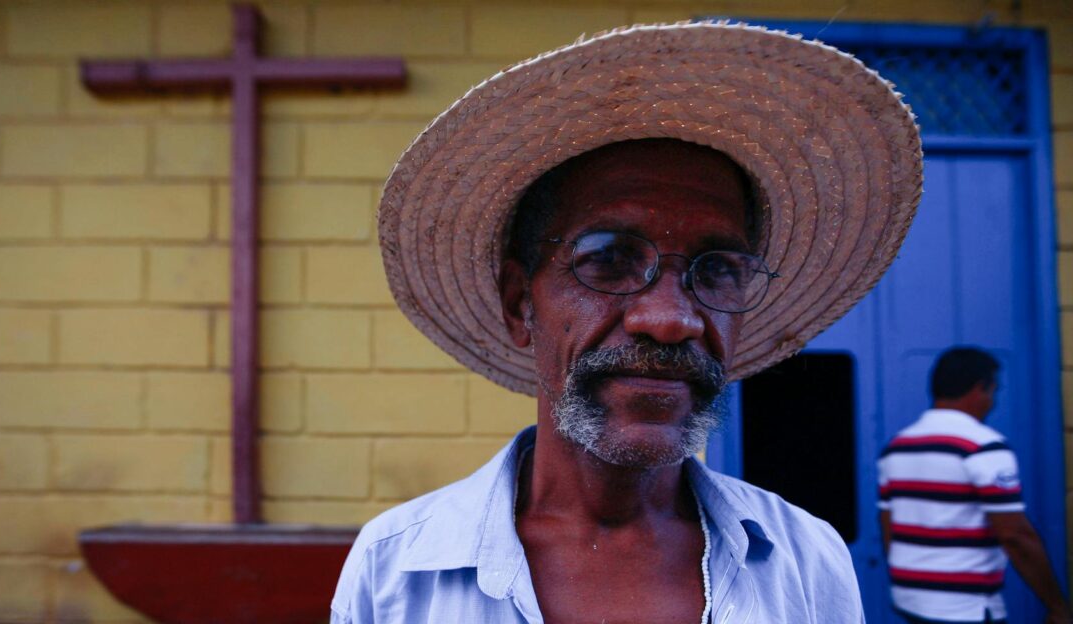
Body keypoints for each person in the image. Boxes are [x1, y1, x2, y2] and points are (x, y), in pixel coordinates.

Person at [332, 23, 924, 623]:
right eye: (609, 259)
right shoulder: (397, 572)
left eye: (716, 269)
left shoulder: (806, 562)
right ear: (520, 304)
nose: (670, 319)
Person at [878, 347, 1072, 624]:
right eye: (994, 390)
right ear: (981, 388)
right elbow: (1015, 536)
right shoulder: (983, 447)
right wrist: (1057, 605)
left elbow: (888, 527)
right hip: (966, 607)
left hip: (909, 601)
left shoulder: (897, 447)